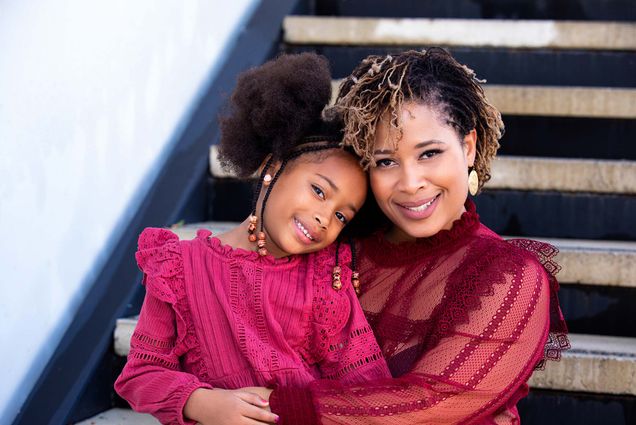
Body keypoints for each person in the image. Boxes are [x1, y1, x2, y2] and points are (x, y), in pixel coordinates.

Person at [267, 48, 570, 424]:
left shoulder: (509, 277)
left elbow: (432, 404)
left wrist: (271, 408)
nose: (410, 184)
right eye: (385, 162)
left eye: (428, 153)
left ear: (469, 146)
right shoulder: (336, 247)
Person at [114, 53, 391, 425]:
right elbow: (142, 374)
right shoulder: (179, 267)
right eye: (319, 191)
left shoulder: (328, 275)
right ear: (272, 167)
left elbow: (364, 378)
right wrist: (201, 402)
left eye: (342, 215)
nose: (325, 218)